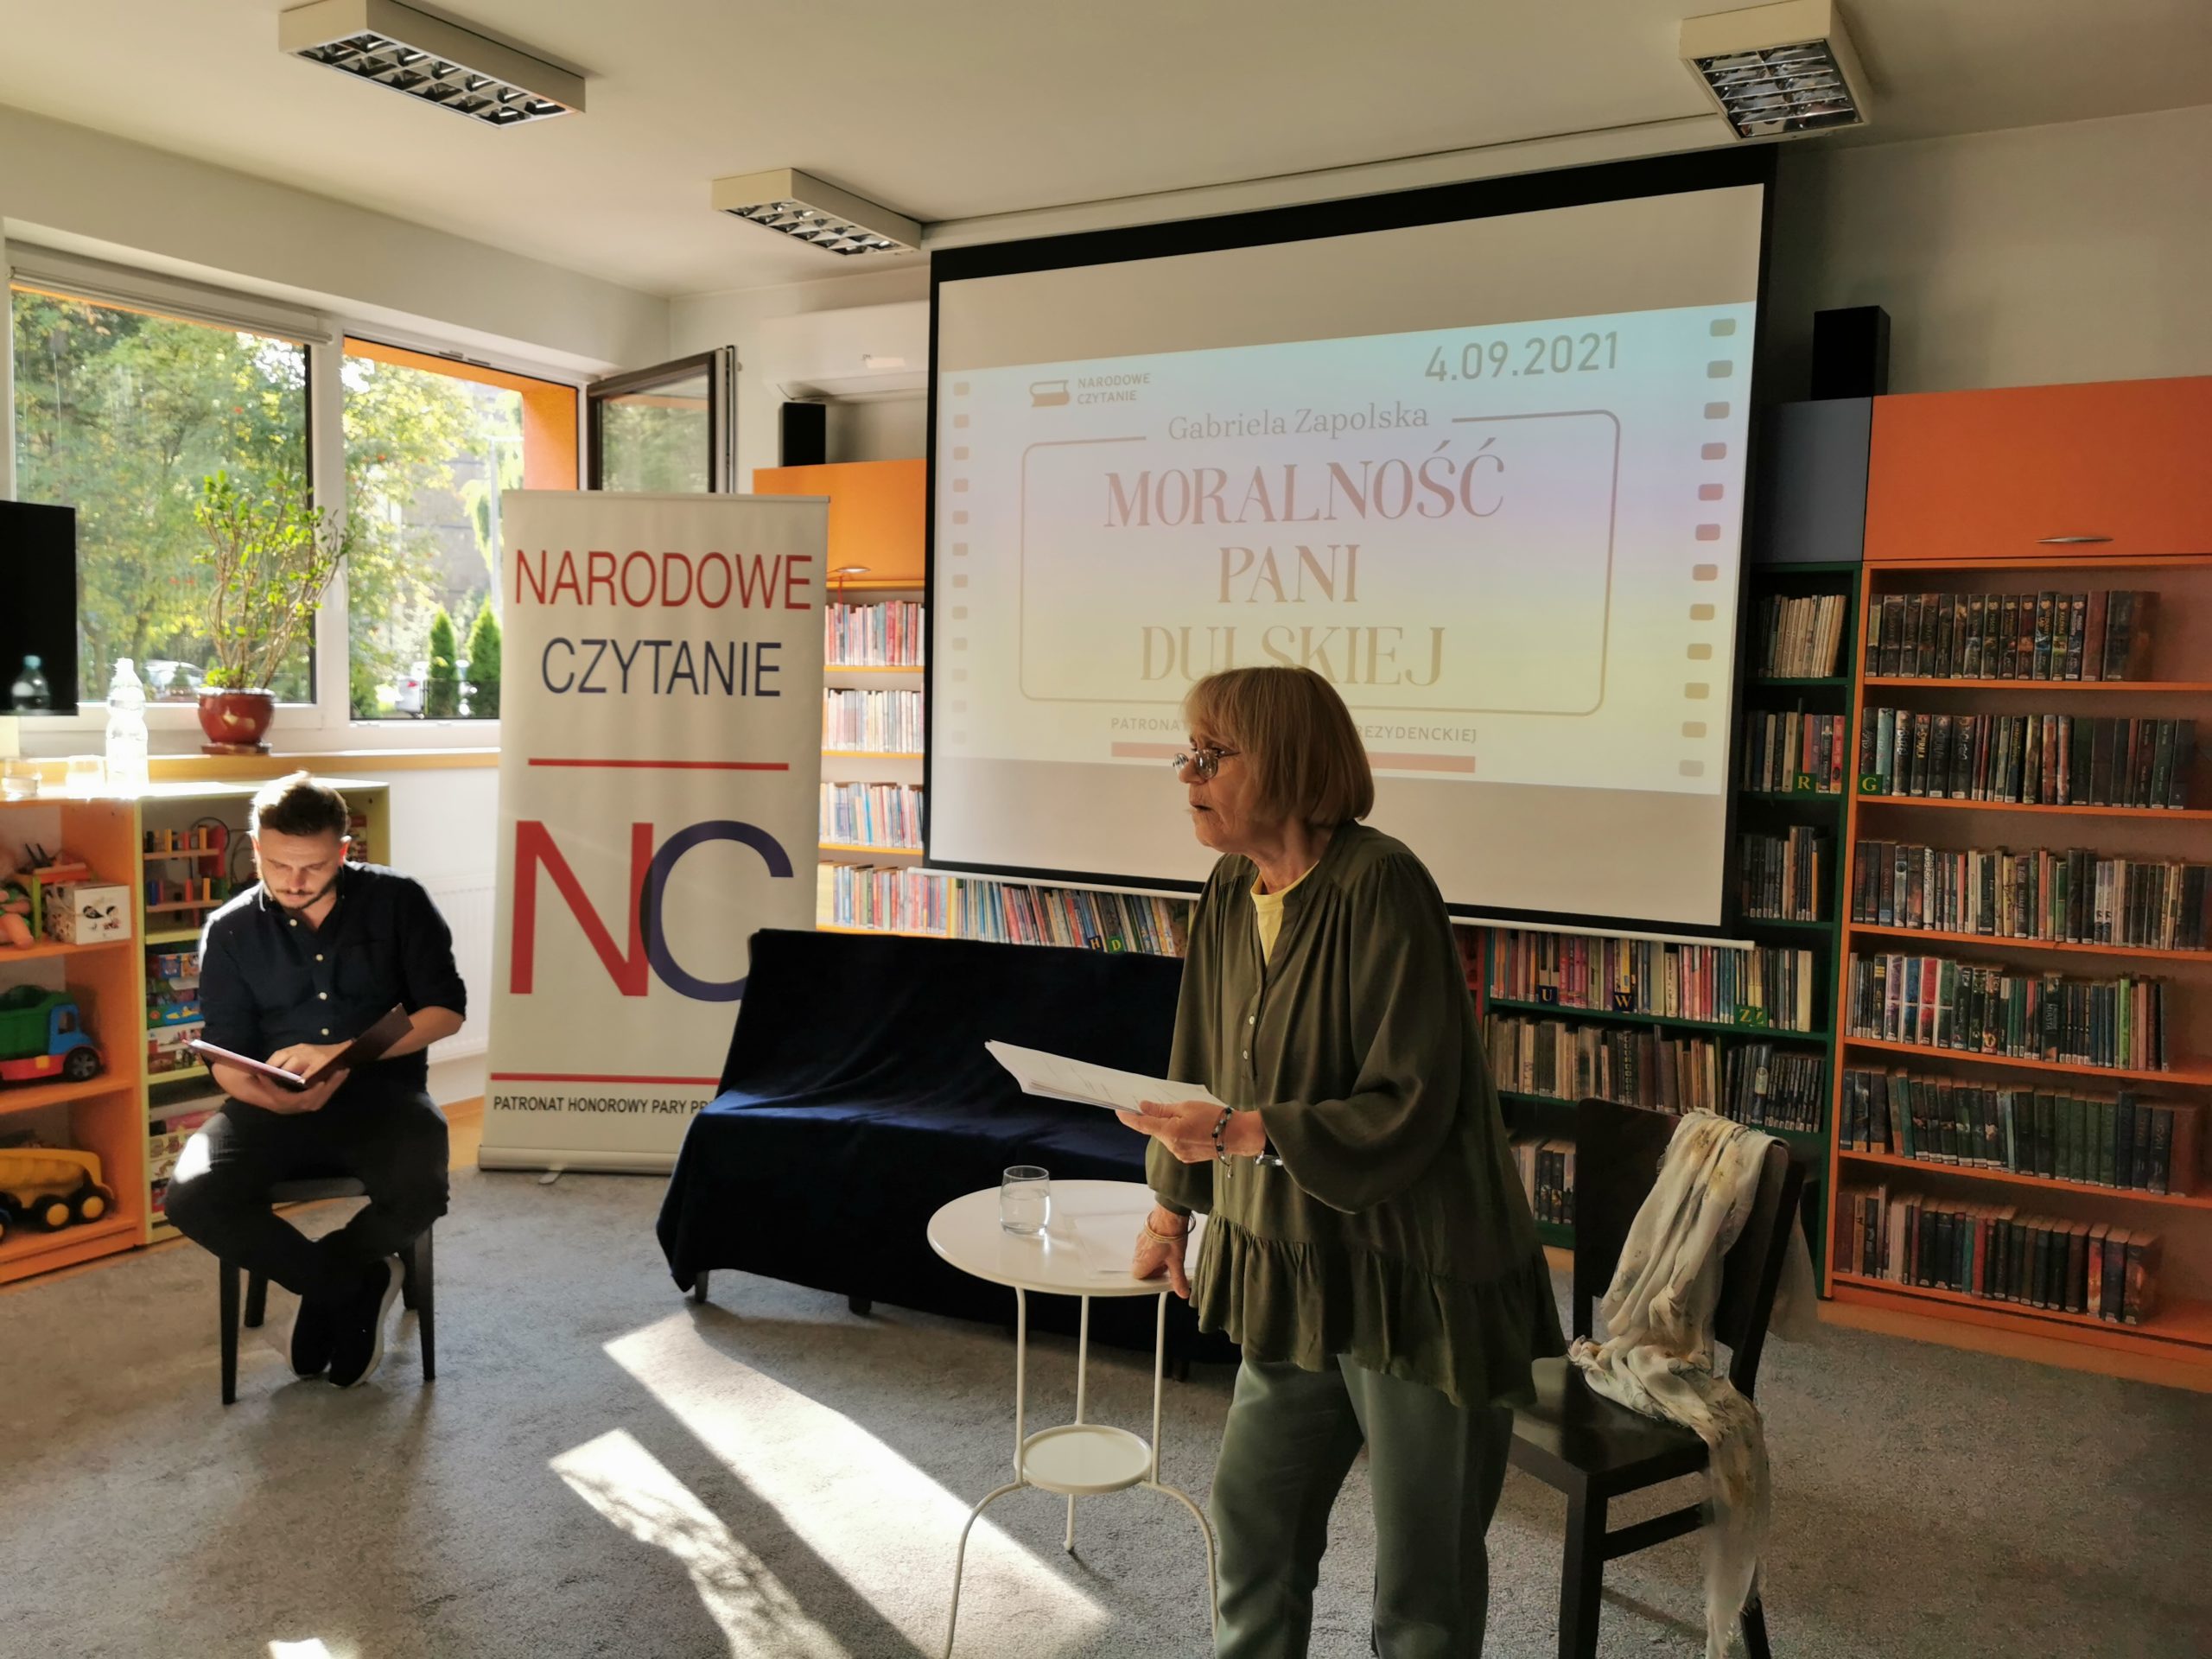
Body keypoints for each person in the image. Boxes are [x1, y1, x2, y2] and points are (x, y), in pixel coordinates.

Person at [1116, 665, 1563, 1659]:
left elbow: (1410, 1099)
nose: (1187, 774)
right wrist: (1169, 1211)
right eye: (1187, 752)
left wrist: (1241, 1133)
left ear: (1287, 762)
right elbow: (1199, 1061)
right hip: (1295, 1262)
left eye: (1211, 754)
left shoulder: (1381, 883)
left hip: (1418, 1274)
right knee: (1252, 1526)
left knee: (1422, 1586)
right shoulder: (1228, 887)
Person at [165, 773, 466, 1389]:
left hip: (384, 1095)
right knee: (192, 1196)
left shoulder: (399, 901)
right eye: (278, 864)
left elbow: (445, 1011)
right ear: (256, 846)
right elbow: (225, 1049)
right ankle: (351, 1283)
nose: (294, 881)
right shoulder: (230, 928)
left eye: (313, 866)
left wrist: (344, 1053)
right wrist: (263, 1094)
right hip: (269, 1104)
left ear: (344, 850)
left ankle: (333, 1277)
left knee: (422, 1189)